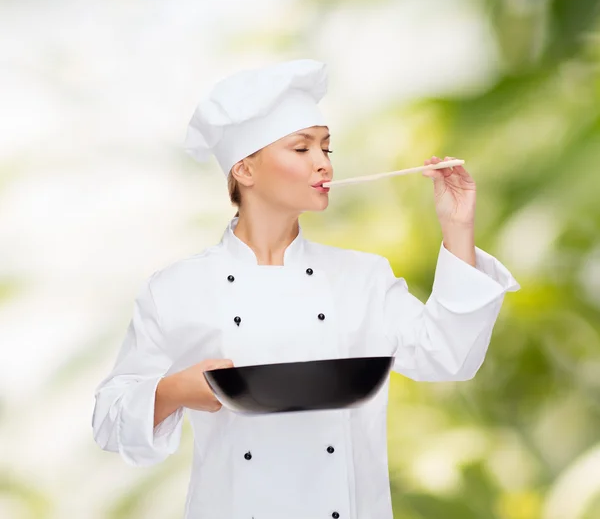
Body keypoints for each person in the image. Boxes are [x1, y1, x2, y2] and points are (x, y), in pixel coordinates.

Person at [92, 58, 521, 519]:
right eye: (301, 149)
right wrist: (174, 390)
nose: (324, 164)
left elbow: (448, 357)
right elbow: (109, 422)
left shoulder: (363, 278)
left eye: (327, 149)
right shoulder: (177, 290)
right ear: (245, 170)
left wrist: (458, 227)